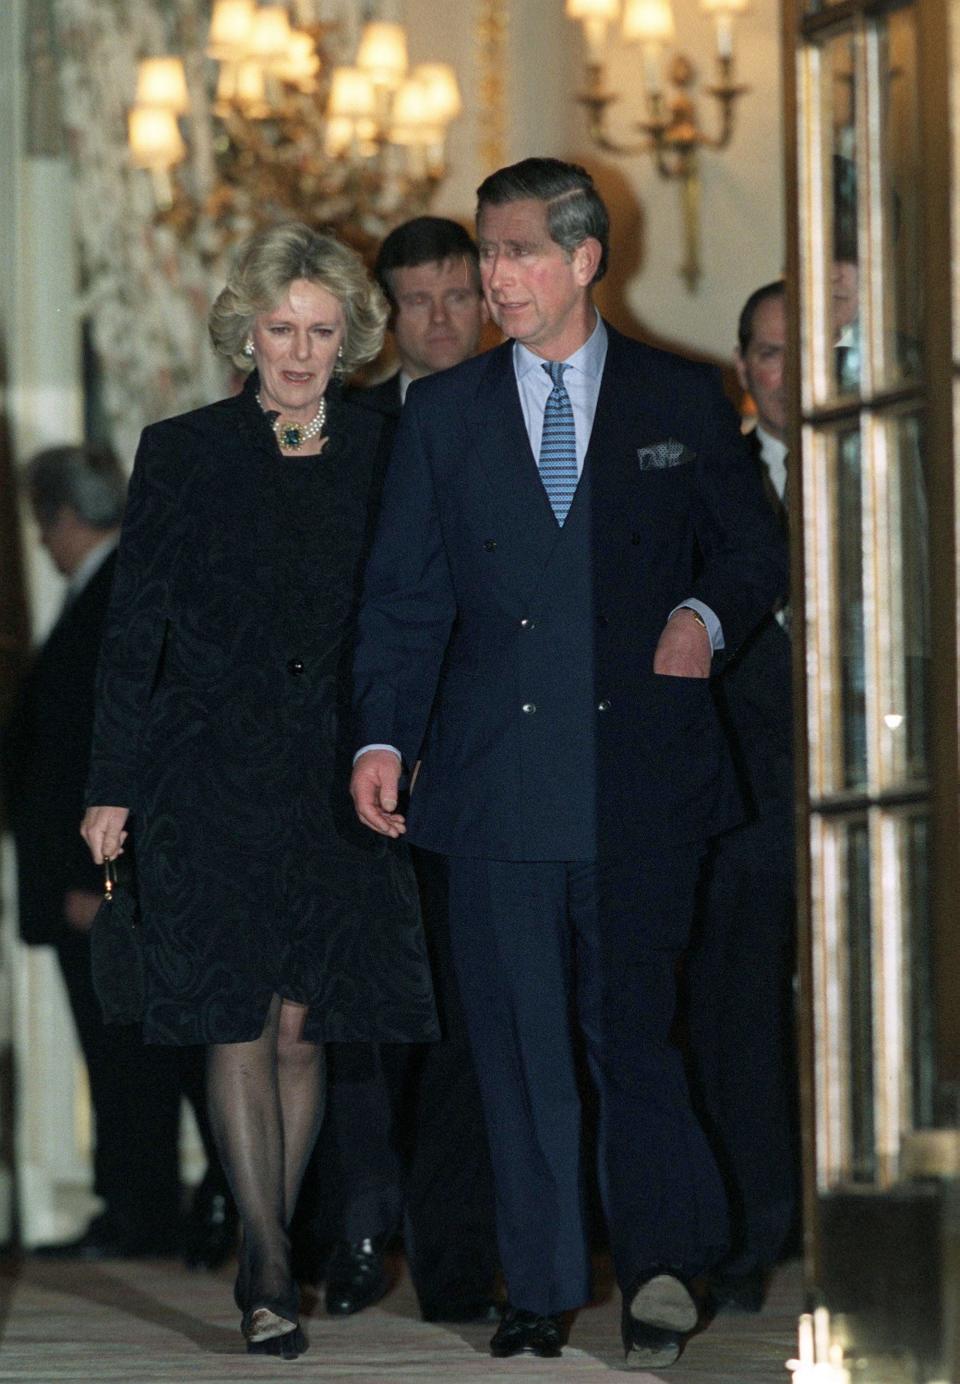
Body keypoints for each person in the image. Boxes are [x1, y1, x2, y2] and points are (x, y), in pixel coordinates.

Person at [349, 158, 788, 1368]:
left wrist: (702, 617)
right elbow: (402, 600)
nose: (494, 277)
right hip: (491, 786)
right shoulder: (441, 415)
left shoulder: (681, 397)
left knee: (634, 1035)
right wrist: (383, 738)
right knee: (518, 1048)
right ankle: (539, 1284)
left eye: (519, 251)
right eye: (488, 254)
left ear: (586, 258)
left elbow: (752, 553)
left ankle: (656, 1268)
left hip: (644, 777)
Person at [80, 223, 438, 1360]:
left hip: (338, 776)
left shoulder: (390, 448)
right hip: (207, 773)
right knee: (235, 1010)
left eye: (321, 331)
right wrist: (111, 785)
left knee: (302, 1022)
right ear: (247, 330)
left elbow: (415, 613)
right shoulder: (182, 450)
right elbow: (135, 631)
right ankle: (269, 1255)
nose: (298, 351)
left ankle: (271, 1231)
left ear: (352, 339)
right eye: (280, 329)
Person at [310, 216, 498, 1324]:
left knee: (474, 1015)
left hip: (480, 762)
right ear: (384, 313)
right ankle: (359, 1223)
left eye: (457, 295)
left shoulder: (535, 411)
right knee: (362, 1017)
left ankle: (458, 1247)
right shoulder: (347, 430)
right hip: (361, 762)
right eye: (417, 300)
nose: (439, 320)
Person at [2, 445, 184, 1258]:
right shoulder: (108, 593)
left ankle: (141, 1213)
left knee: (126, 1056)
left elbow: (108, 754)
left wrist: (99, 882)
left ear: (64, 517)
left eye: (44, 522)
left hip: (99, 881)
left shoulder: (113, 598)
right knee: (121, 1051)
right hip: (92, 878)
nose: (41, 541)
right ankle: (138, 1207)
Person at [683, 280, 800, 1313]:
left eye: (811, 347)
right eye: (769, 352)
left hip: (882, 791)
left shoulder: (902, 458)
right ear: (744, 371)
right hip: (750, 795)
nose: (792, 370)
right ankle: (755, 1231)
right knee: (740, 1019)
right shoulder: (713, 481)